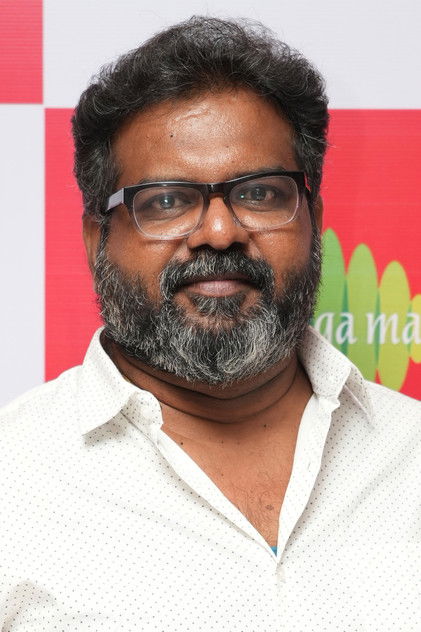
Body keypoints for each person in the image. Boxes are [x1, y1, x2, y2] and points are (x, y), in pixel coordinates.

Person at [0, 16, 419, 632]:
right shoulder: (13, 479)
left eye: (261, 193)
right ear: (97, 240)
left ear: (313, 217)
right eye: (167, 201)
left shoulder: (411, 452)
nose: (220, 232)